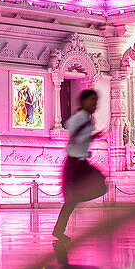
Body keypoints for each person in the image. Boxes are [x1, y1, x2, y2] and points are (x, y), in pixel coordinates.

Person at [53, 89, 108, 242]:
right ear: (83, 102)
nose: (94, 104)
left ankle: (59, 229)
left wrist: (93, 136)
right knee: (74, 198)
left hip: (81, 162)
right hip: (75, 163)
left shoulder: (87, 119)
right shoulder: (80, 118)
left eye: (95, 101)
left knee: (98, 186)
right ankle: (58, 230)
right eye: (91, 100)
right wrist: (81, 135)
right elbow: (72, 129)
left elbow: (80, 137)